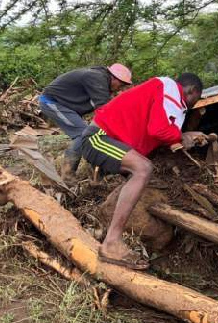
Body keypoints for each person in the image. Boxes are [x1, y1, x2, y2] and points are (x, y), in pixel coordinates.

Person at [79, 73, 205, 269]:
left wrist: (182, 137)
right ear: (191, 91)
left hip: (108, 138)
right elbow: (158, 129)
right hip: (98, 137)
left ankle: (111, 235)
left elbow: (156, 130)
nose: (190, 106)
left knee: (141, 169)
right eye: (194, 101)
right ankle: (111, 243)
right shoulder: (170, 88)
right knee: (143, 169)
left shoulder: (164, 95)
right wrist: (181, 135)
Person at [38, 64, 132, 182]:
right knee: (82, 135)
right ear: (114, 78)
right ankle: (67, 176)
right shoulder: (96, 78)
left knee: (93, 134)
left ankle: (96, 172)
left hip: (67, 107)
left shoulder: (101, 81)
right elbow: (105, 110)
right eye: (121, 84)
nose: (121, 88)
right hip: (52, 103)